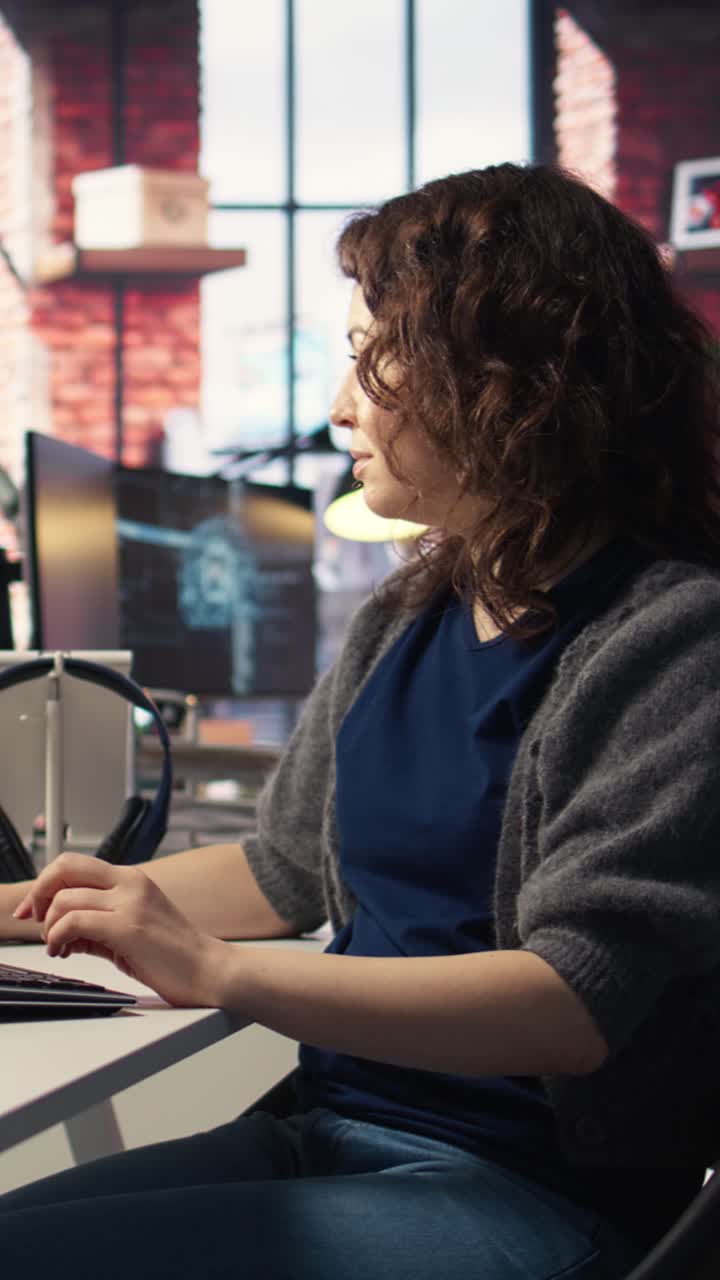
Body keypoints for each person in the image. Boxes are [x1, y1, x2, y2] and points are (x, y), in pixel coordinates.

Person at [1, 161, 720, 1280]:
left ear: (505, 378)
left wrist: (217, 970)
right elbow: (287, 868)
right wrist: (23, 907)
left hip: (533, 1187)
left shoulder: (669, 638)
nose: (341, 407)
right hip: (333, 1128)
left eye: (369, 361)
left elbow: (570, 1001)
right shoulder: (408, 611)